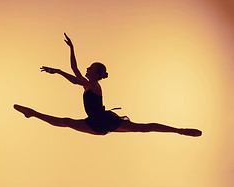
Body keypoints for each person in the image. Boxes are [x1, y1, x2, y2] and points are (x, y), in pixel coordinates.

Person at [14, 33, 202, 137]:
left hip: (103, 121)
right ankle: (32, 113)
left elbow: (73, 78)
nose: (86, 69)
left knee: (143, 128)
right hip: (97, 123)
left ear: (96, 74)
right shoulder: (88, 84)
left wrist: (58, 72)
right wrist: (71, 48)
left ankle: (180, 130)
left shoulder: (94, 87)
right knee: (65, 122)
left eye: (90, 68)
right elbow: (75, 69)